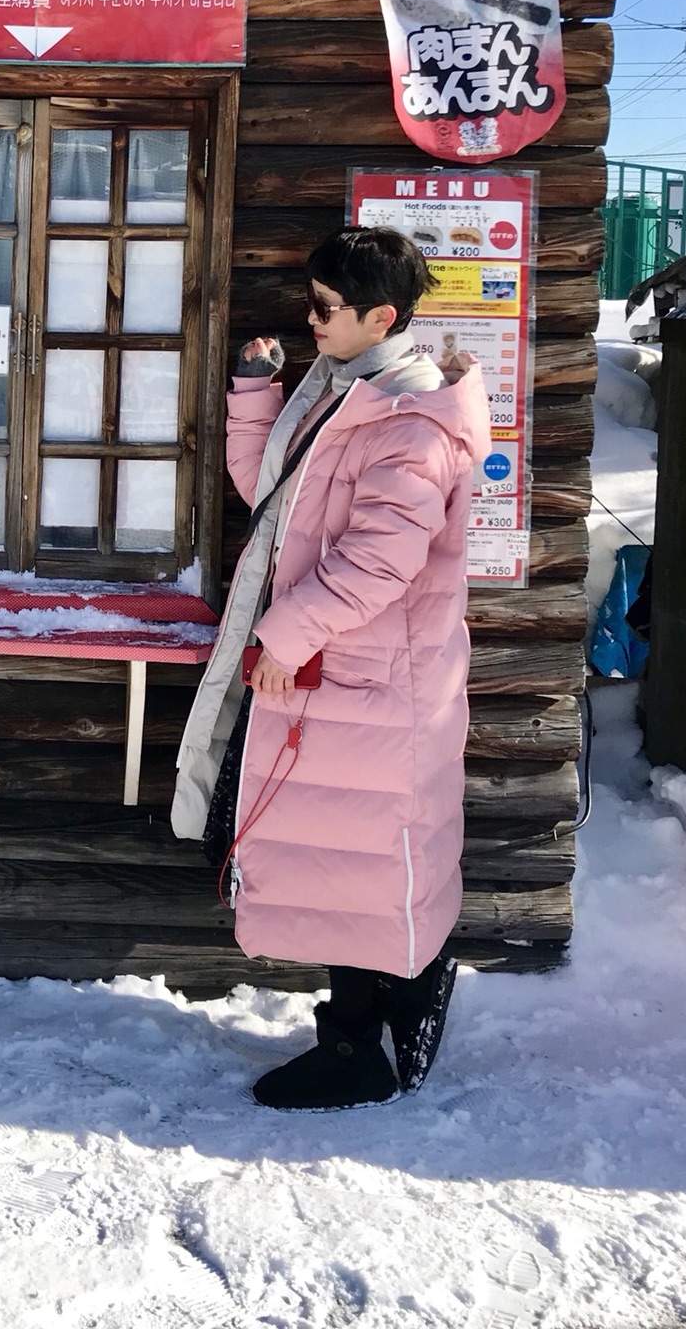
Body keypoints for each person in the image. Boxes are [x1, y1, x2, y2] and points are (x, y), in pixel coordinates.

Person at [172, 226, 490, 1110]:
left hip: (368, 684)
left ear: (381, 316)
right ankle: (390, 1013)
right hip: (341, 680)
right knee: (348, 860)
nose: (310, 320)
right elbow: (272, 498)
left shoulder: (411, 418)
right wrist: (253, 391)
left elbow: (377, 563)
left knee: (358, 864)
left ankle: (359, 1045)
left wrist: (284, 638)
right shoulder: (348, 389)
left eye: (325, 308)